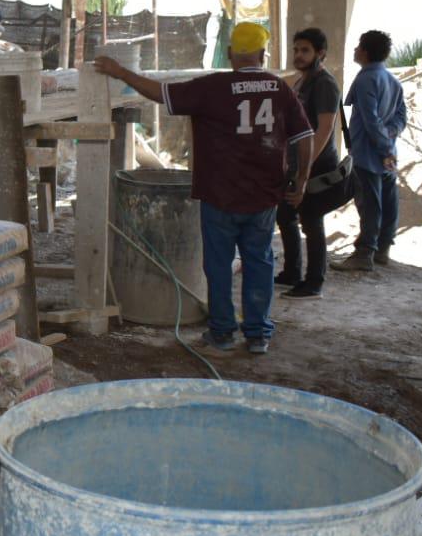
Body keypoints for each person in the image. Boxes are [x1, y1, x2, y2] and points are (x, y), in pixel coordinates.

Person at [95, 22, 314, 355]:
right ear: (263, 54)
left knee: (218, 264)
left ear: (229, 54)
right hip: (263, 197)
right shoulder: (278, 89)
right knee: (260, 262)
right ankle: (257, 336)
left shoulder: (213, 88)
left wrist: (119, 71)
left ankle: (222, 334)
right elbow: (304, 137)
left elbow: (159, 93)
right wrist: (299, 182)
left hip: (219, 194)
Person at [275, 28, 343, 298]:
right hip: (299, 162)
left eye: (305, 50)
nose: (298, 55)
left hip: (317, 164)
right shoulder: (303, 81)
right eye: (296, 50)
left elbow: (324, 128)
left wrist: (305, 168)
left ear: (320, 53)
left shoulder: (325, 83)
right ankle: (292, 271)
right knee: (286, 214)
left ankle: (314, 281)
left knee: (311, 220)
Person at [334, 29, 407, 272]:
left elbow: (370, 119)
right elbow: (400, 117)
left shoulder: (366, 79)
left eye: (358, 46)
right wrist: (390, 139)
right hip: (387, 153)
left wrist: (383, 145)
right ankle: (383, 248)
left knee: (370, 203)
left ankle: (364, 253)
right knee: (388, 200)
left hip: (368, 152)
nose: (355, 50)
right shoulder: (393, 81)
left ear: (364, 51)